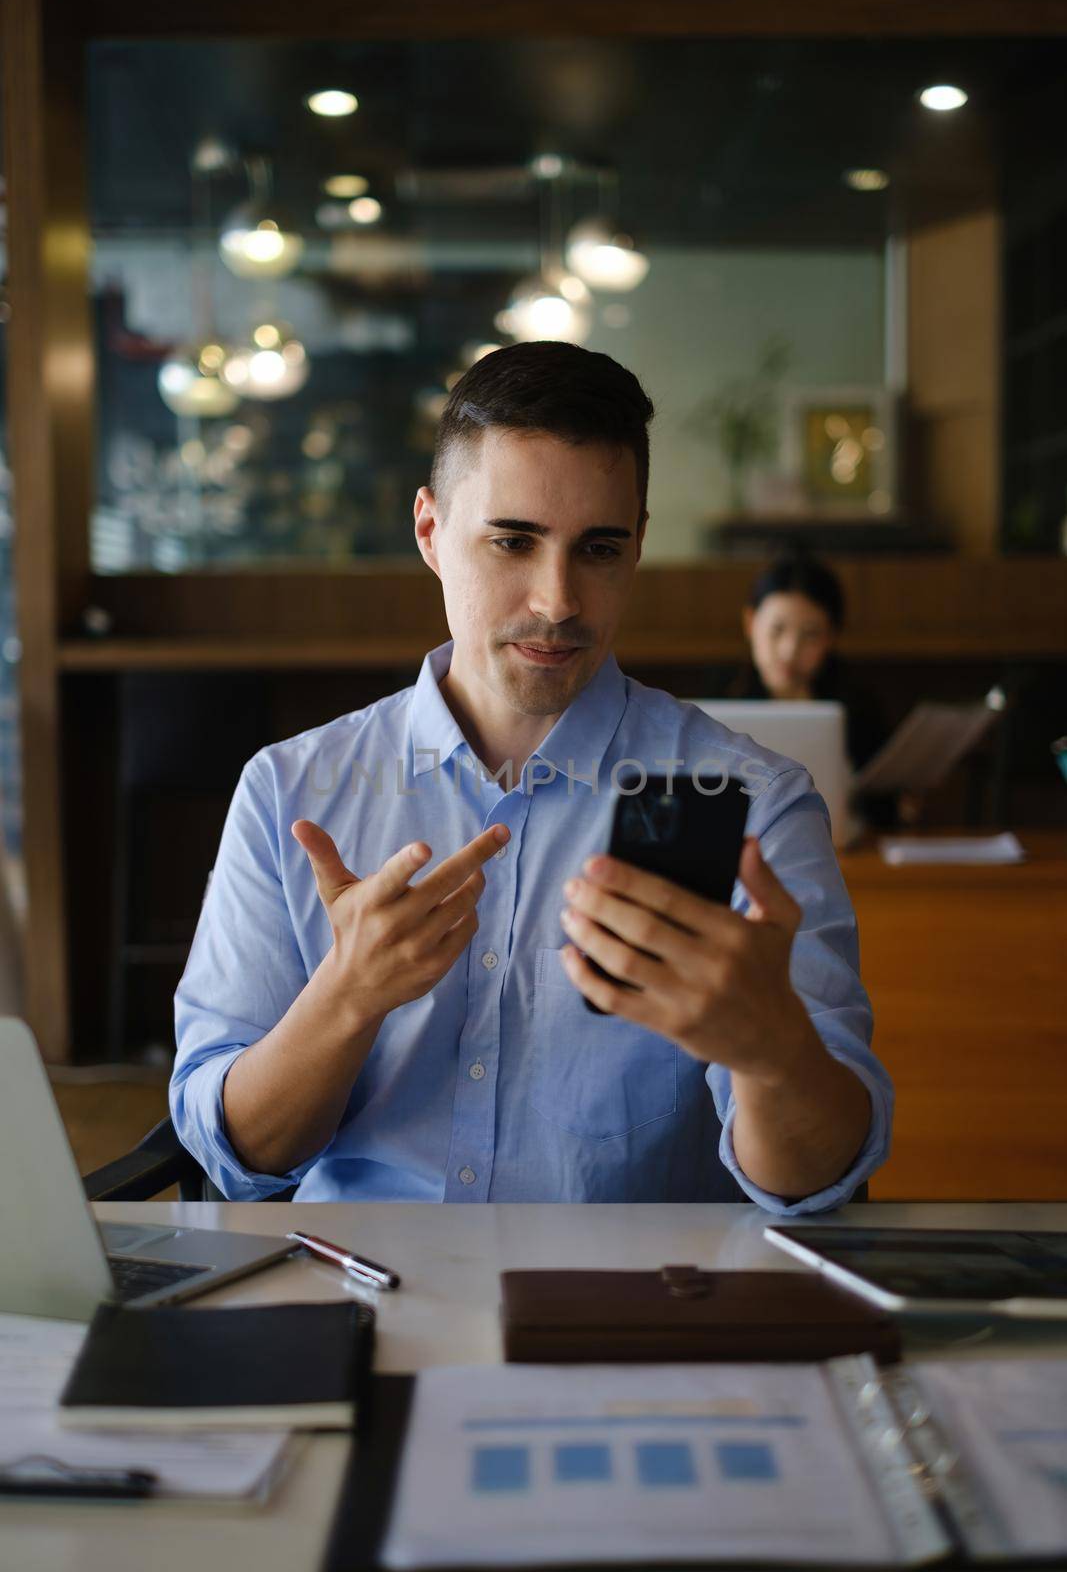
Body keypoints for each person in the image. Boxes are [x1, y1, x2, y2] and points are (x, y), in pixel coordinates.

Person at [171, 343, 891, 1209]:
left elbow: (816, 1182)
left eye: (597, 549)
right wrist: (346, 998)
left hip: (632, 1314)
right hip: (356, 1301)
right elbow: (236, 1158)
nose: (556, 600)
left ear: (637, 548)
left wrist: (773, 1051)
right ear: (431, 532)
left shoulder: (751, 807)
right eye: (513, 541)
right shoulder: (292, 792)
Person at [721, 553, 888, 779]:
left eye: (810, 635)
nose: (789, 651)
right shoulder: (720, 697)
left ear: (831, 637)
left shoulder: (859, 708)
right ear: (750, 623)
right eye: (777, 630)